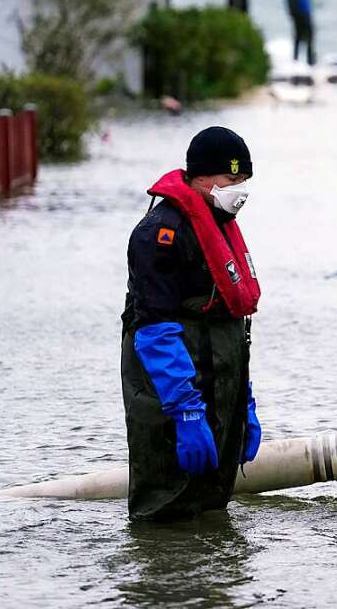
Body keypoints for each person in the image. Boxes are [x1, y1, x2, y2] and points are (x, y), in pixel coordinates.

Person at [120, 126, 263, 521]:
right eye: (231, 179)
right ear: (200, 177)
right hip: (173, 398)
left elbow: (232, 326)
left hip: (220, 391)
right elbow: (154, 331)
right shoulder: (159, 233)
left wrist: (244, 403)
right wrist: (185, 411)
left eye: (245, 180)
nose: (241, 190)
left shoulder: (217, 224)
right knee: (166, 510)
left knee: (214, 512)